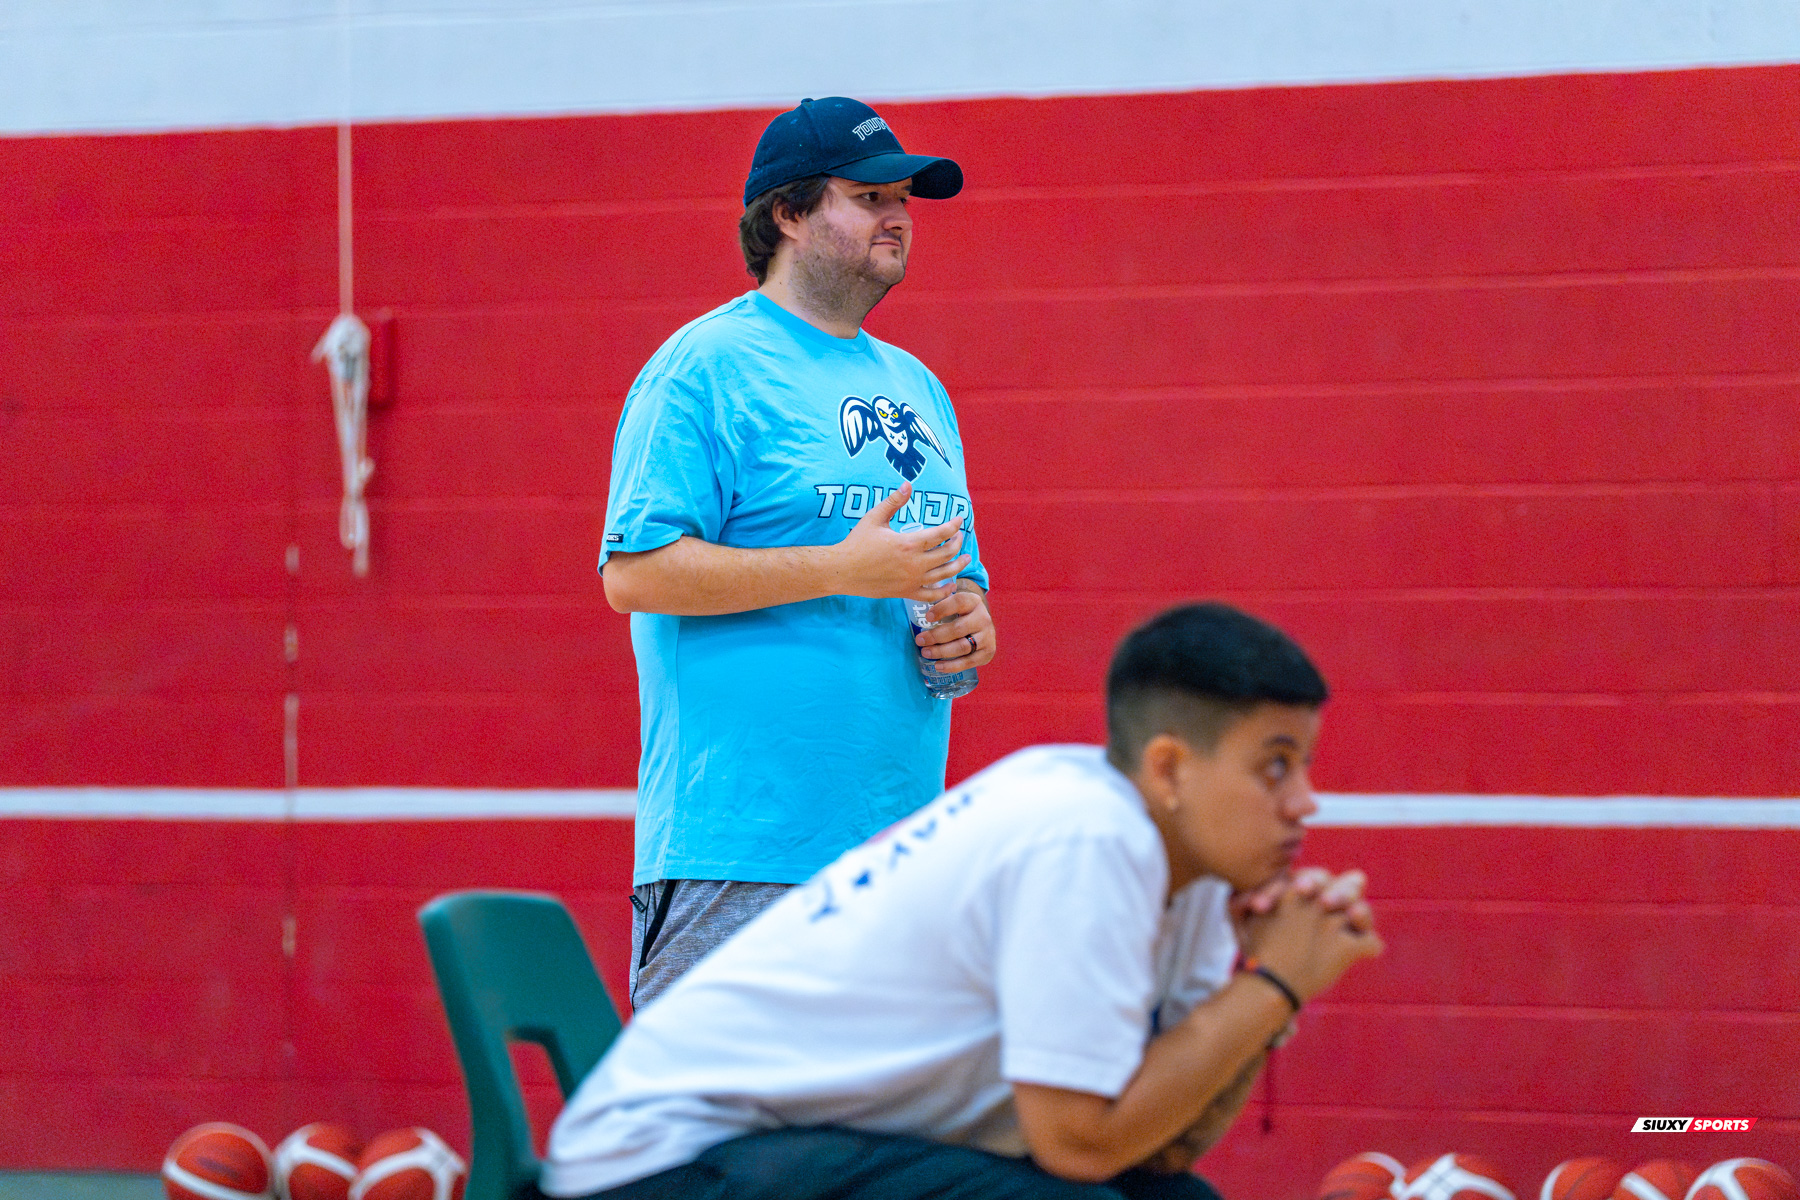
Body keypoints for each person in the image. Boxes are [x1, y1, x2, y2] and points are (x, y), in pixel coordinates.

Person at [539, 603, 1384, 1200]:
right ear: (1169, 768)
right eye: (1275, 766)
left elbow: (1164, 1147)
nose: (1305, 802)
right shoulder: (1089, 836)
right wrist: (1272, 986)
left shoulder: (1189, 874)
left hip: (781, 1154)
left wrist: (1267, 994)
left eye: (1305, 767)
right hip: (659, 1165)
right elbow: (1079, 1143)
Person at [598, 97, 997, 1007]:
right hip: (741, 854)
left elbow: (959, 589)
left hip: (897, 865)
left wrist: (970, 629)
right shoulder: (704, 368)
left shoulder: (919, 387)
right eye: (869, 196)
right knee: (722, 1106)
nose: (898, 217)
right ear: (788, 213)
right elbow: (634, 574)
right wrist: (839, 570)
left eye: (904, 199)